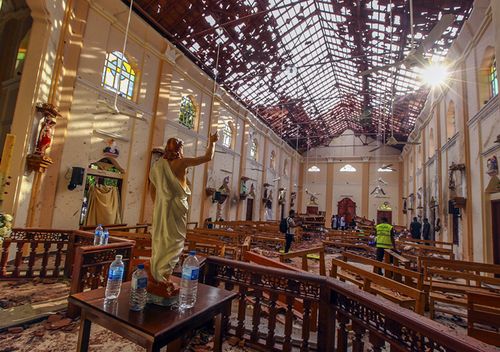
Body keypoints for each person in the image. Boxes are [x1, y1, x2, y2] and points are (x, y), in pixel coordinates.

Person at [149, 131, 218, 284]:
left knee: (161, 239)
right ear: (180, 149)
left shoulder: (158, 165)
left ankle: (158, 276)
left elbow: (152, 189)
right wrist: (212, 142)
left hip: (162, 208)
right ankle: (163, 278)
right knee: (174, 241)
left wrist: (159, 205)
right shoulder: (182, 162)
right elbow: (207, 157)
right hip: (177, 207)